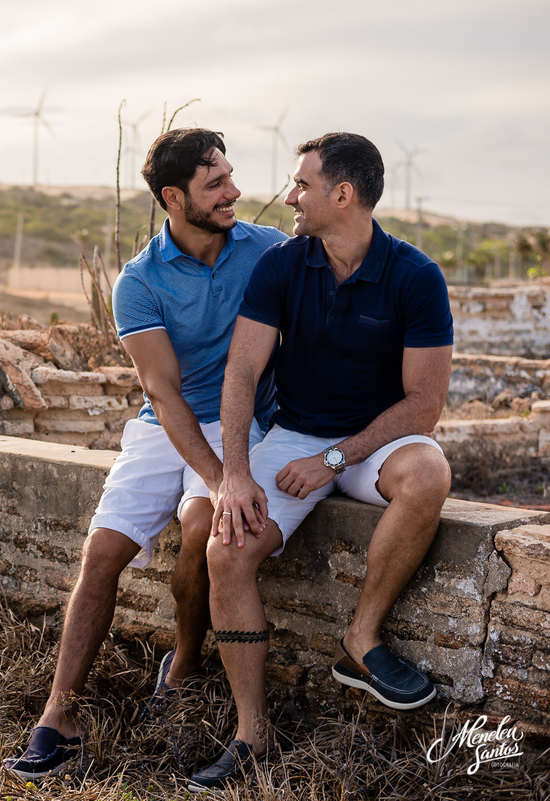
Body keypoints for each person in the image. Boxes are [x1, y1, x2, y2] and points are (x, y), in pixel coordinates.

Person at [2, 128, 287, 781]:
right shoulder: (139, 281)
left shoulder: (268, 250)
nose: (234, 191)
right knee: (102, 551)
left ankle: (184, 660)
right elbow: (162, 391)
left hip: (246, 418)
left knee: (199, 527)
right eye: (215, 182)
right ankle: (58, 716)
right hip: (168, 421)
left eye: (230, 176)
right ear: (172, 195)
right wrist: (220, 479)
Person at [191, 132, 453, 793]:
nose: (289, 197)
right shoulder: (283, 264)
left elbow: (423, 405)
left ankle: (360, 640)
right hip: (292, 433)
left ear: (343, 194)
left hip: (371, 440)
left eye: (302, 185)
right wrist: (235, 473)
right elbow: (242, 370)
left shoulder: (415, 276)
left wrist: (333, 458)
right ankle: (251, 732)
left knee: (430, 473)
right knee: (225, 550)